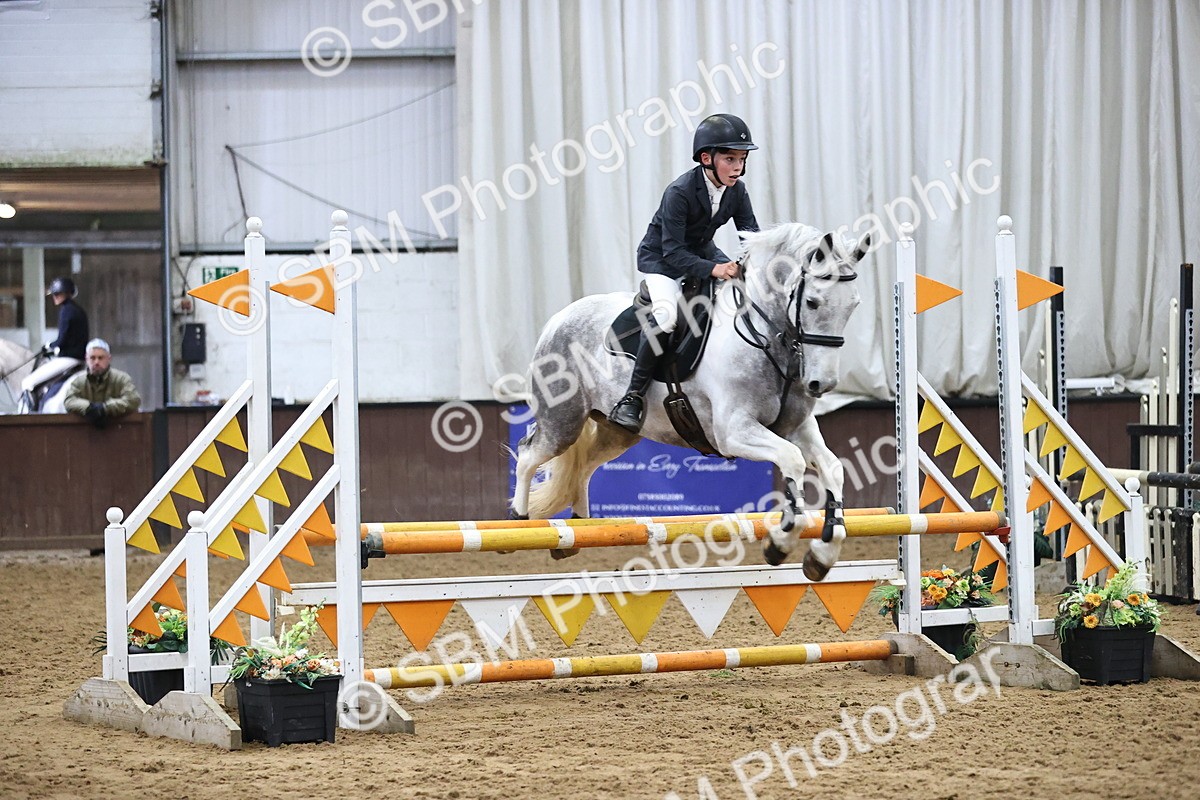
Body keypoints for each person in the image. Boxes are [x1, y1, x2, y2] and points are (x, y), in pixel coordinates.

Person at [608, 113, 760, 434]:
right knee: (666, 318)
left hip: (702, 252)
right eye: (730, 159)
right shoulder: (679, 192)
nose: (738, 166)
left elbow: (751, 235)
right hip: (662, 260)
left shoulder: (737, 191)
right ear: (707, 158)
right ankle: (632, 397)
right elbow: (673, 252)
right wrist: (717, 268)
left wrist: (753, 261)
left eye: (742, 159)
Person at [19, 276, 90, 406]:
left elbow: (62, 340)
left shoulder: (66, 311)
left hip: (68, 359)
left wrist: (49, 346)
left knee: (27, 383)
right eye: (54, 294)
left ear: (67, 293)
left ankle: (32, 416)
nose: (54, 297)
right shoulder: (79, 310)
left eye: (57, 294)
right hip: (79, 357)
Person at [63, 338, 141, 427]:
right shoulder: (78, 382)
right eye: (92, 358)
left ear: (109, 359)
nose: (96, 362)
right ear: (86, 359)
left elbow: (133, 400)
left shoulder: (121, 379)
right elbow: (69, 401)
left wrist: (105, 408)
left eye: (100, 358)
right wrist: (89, 408)